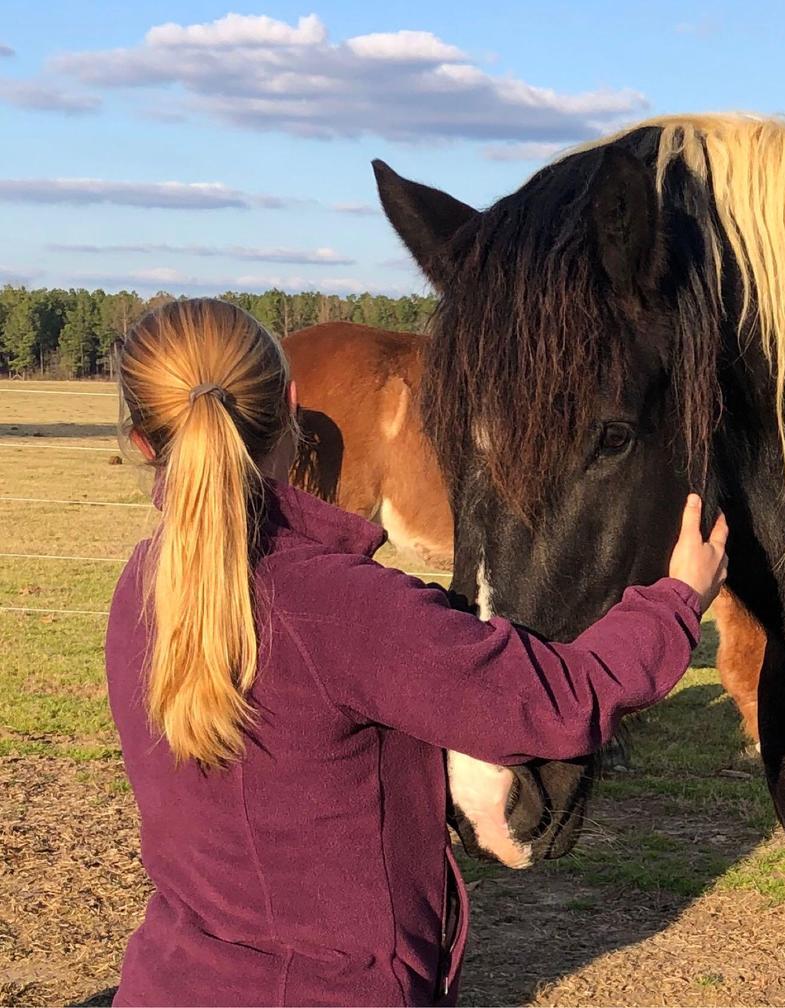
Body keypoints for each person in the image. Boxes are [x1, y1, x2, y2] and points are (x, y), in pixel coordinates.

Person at [105, 298, 728, 1006]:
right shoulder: (343, 605)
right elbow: (557, 699)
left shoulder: (138, 591)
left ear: (143, 440)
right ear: (293, 406)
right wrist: (676, 599)